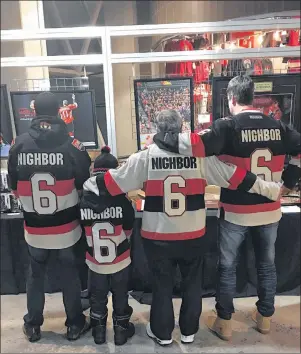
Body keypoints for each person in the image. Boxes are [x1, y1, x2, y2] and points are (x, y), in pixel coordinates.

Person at [86, 109, 282, 346]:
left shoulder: (145, 157)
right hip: (193, 236)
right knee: (192, 285)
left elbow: (111, 183)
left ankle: (162, 333)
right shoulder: (201, 158)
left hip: (158, 237)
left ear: (157, 130)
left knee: (161, 286)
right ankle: (188, 331)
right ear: (181, 130)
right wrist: (270, 189)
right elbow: (236, 176)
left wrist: (87, 182)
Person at [152, 75, 301, 340]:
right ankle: (265, 318)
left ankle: (225, 321)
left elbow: (194, 145)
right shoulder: (279, 126)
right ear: (252, 97)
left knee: (228, 266)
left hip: (236, 211)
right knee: (267, 265)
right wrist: (288, 183)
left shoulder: (228, 126)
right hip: (270, 209)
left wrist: (161, 139)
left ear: (232, 98)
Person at [8, 92, 91, 342]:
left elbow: (13, 185)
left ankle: (33, 325)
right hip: (66, 226)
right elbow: (85, 184)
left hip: (34, 227)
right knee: (69, 275)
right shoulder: (72, 145)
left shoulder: (19, 144)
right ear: (59, 112)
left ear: (34, 112)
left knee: (35, 275)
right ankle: (75, 324)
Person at [80, 146, 135, 346]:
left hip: (95, 260)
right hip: (119, 258)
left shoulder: (83, 198)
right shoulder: (122, 199)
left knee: (97, 296)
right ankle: (121, 331)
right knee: (121, 294)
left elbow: (81, 227)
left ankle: (99, 332)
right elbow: (128, 229)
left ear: (94, 171)